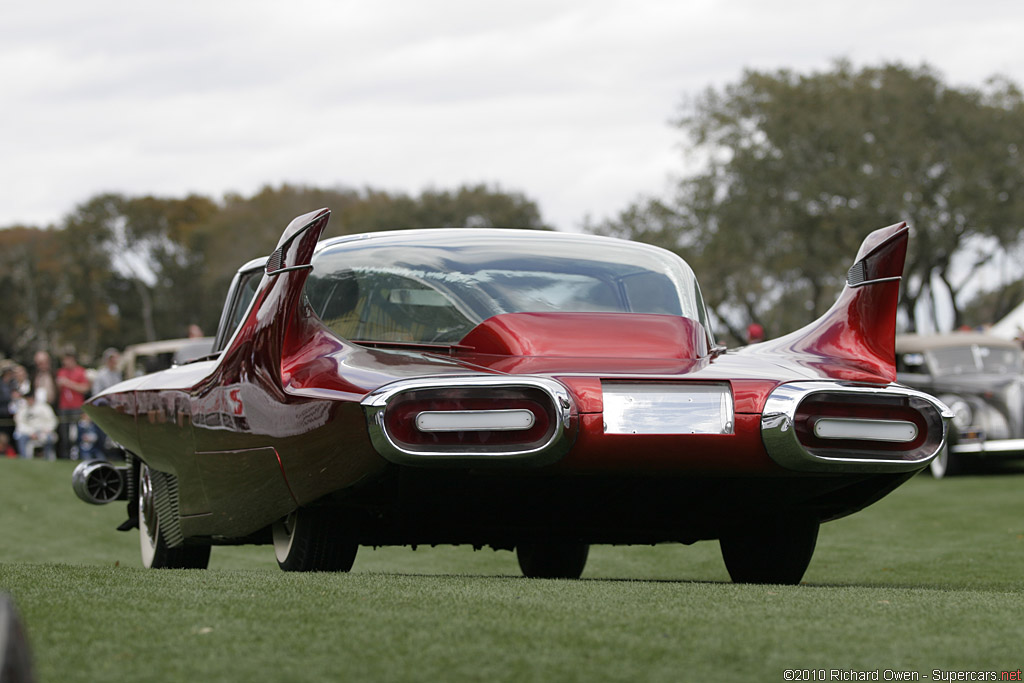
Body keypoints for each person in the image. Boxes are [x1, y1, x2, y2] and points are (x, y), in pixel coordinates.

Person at [56, 347, 90, 459]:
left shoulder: (80, 371)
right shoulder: (61, 371)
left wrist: (68, 383)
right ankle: (65, 456)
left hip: (76, 407)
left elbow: (85, 388)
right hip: (64, 407)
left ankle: (78, 455)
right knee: (64, 434)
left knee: (77, 433)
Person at [13, 389, 58, 460]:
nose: (29, 400)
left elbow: (52, 421)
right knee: (20, 437)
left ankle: (49, 458)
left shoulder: (44, 407)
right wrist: (30, 433)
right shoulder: (22, 409)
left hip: (44, 431)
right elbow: (20, 424)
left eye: (30, 398)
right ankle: (24, 459)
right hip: (29, 433)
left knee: (49, 438)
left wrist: (45, 430)